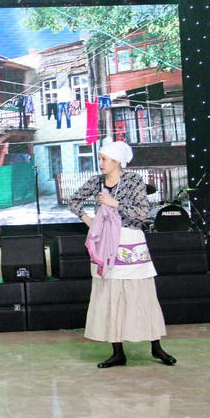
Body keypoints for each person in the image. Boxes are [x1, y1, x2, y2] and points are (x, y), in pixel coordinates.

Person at [67, 141, 176, 368]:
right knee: (110, 297)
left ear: (117, 161)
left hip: (130, 243)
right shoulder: (96, 181)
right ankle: (117, 352)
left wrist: (114, 203)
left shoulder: (133, 181)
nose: (100, 163)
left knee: (141, 296)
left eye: (104, 159)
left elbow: (143, 213)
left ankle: (156, 347)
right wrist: (89, 220)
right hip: (106, 244)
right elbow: (73, 200)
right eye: (100, 158)